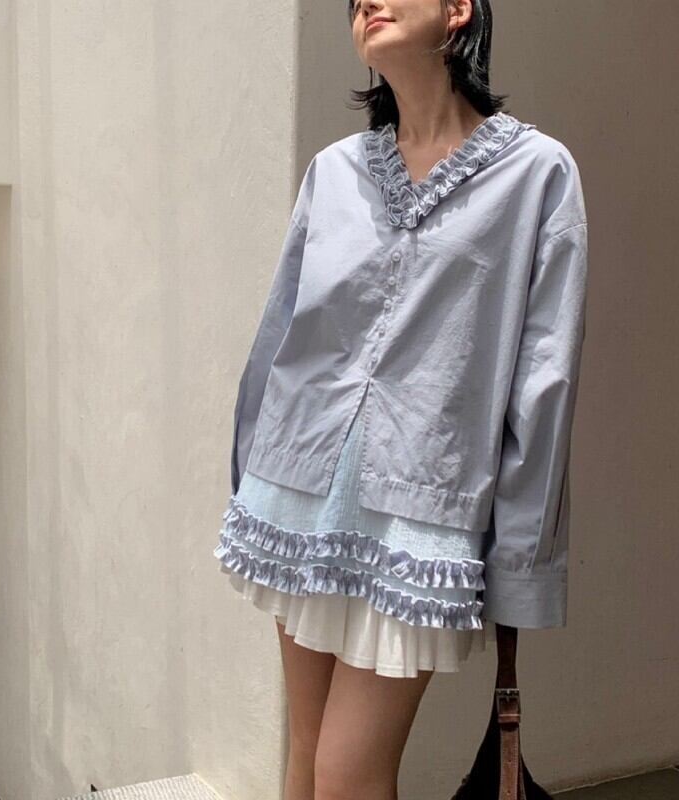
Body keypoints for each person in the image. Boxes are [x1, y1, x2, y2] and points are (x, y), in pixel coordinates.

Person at [213, 1, 589, 798]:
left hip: (419, 514)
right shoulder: (334, 171)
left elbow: (543, 378)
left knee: (348, 773)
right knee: (305, 758)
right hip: (297, 488)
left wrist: (519, 556)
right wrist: (248, 475)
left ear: (458, 10)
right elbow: (281, 333)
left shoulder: (538, 174)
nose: (365, 4)